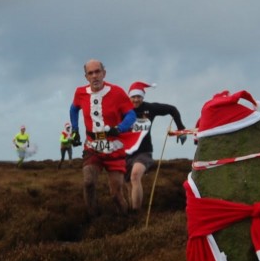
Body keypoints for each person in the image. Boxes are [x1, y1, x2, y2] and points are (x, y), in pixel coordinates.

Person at [69, 59, 136, 215]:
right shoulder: (80, 93)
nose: (95, 76)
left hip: (114, 148)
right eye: (90, 73)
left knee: (115, 194)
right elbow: (73, 109)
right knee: (88, 183)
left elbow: (131, 114)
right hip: (92, 146)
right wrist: (75, 129)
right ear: (86, 77)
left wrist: (119, 128)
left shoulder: (117, 92)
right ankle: (93, 218)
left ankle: (126, 220)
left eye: (97, 72)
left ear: (104, 73)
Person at [121, 81, 186, 214]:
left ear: (143, 97)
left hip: (144, 152)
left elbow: (172, 110)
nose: (136, 99)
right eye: (133, 97)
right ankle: (132, 215)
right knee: (127, 184)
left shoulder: (150, 108)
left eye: (139, 97)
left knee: (135, 176)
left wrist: (180, 129)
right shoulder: (123, 110)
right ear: (129, 97)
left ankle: (136, 213)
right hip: (125, 153)